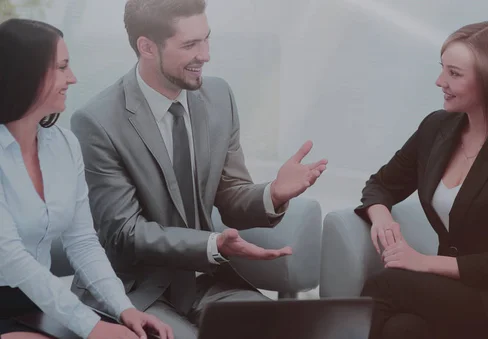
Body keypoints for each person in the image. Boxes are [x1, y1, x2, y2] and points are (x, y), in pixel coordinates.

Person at [69, 0, 327, 337]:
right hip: (136, 291)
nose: (205, 55)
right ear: (146, 47)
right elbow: (125, 232)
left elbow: (229, 191)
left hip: (209, 283)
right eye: (190, 44)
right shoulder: (97, 122)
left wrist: (272, 194)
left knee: (284, 329)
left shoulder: (218, 96)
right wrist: (212, 245)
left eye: (206, 39)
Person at [356, 21, 488, 339]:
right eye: (442, 69)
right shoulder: (436, 128)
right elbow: (381, 184)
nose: (439, 81)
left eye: (454, 74)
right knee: (401, 329)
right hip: (449, 292)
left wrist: (421, 262)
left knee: (386, 285)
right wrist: (381, 219)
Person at [0, 18, 173, 339]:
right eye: (62, 67)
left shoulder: (64, 146)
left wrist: (125, 310)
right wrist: (92, 327)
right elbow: (11, 259)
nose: (73, 78)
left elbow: (82, 241)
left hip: (36, 301)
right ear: (25, 73)